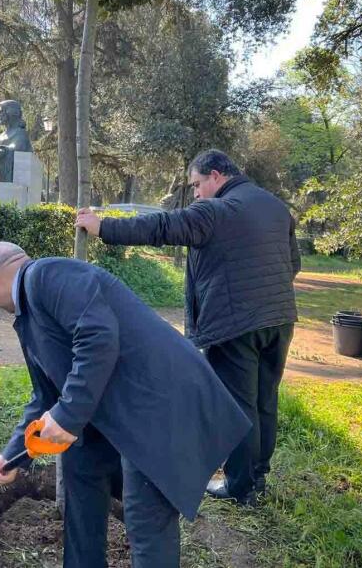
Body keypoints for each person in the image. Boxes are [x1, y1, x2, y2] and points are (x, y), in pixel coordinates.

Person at [0, 242, 251, 567]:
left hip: (160, 401)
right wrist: (11, 456)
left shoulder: (46, 275)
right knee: (80, 465)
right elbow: (46, 397)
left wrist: (66, 417)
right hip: (125, 409)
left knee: (145, 513)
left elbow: (97, 336)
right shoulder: (30, 314)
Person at [76, 149, 301, 507]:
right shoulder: (274, 205)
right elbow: (293, 262)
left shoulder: (216, 211)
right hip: (280, 319)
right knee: (264, 400)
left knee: (238, 406)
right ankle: (257, 476)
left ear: (216, 176)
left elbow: (162, 227)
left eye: (197, 185)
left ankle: (241, 487)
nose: (195, 194)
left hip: (235, 326)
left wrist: (104, 227)